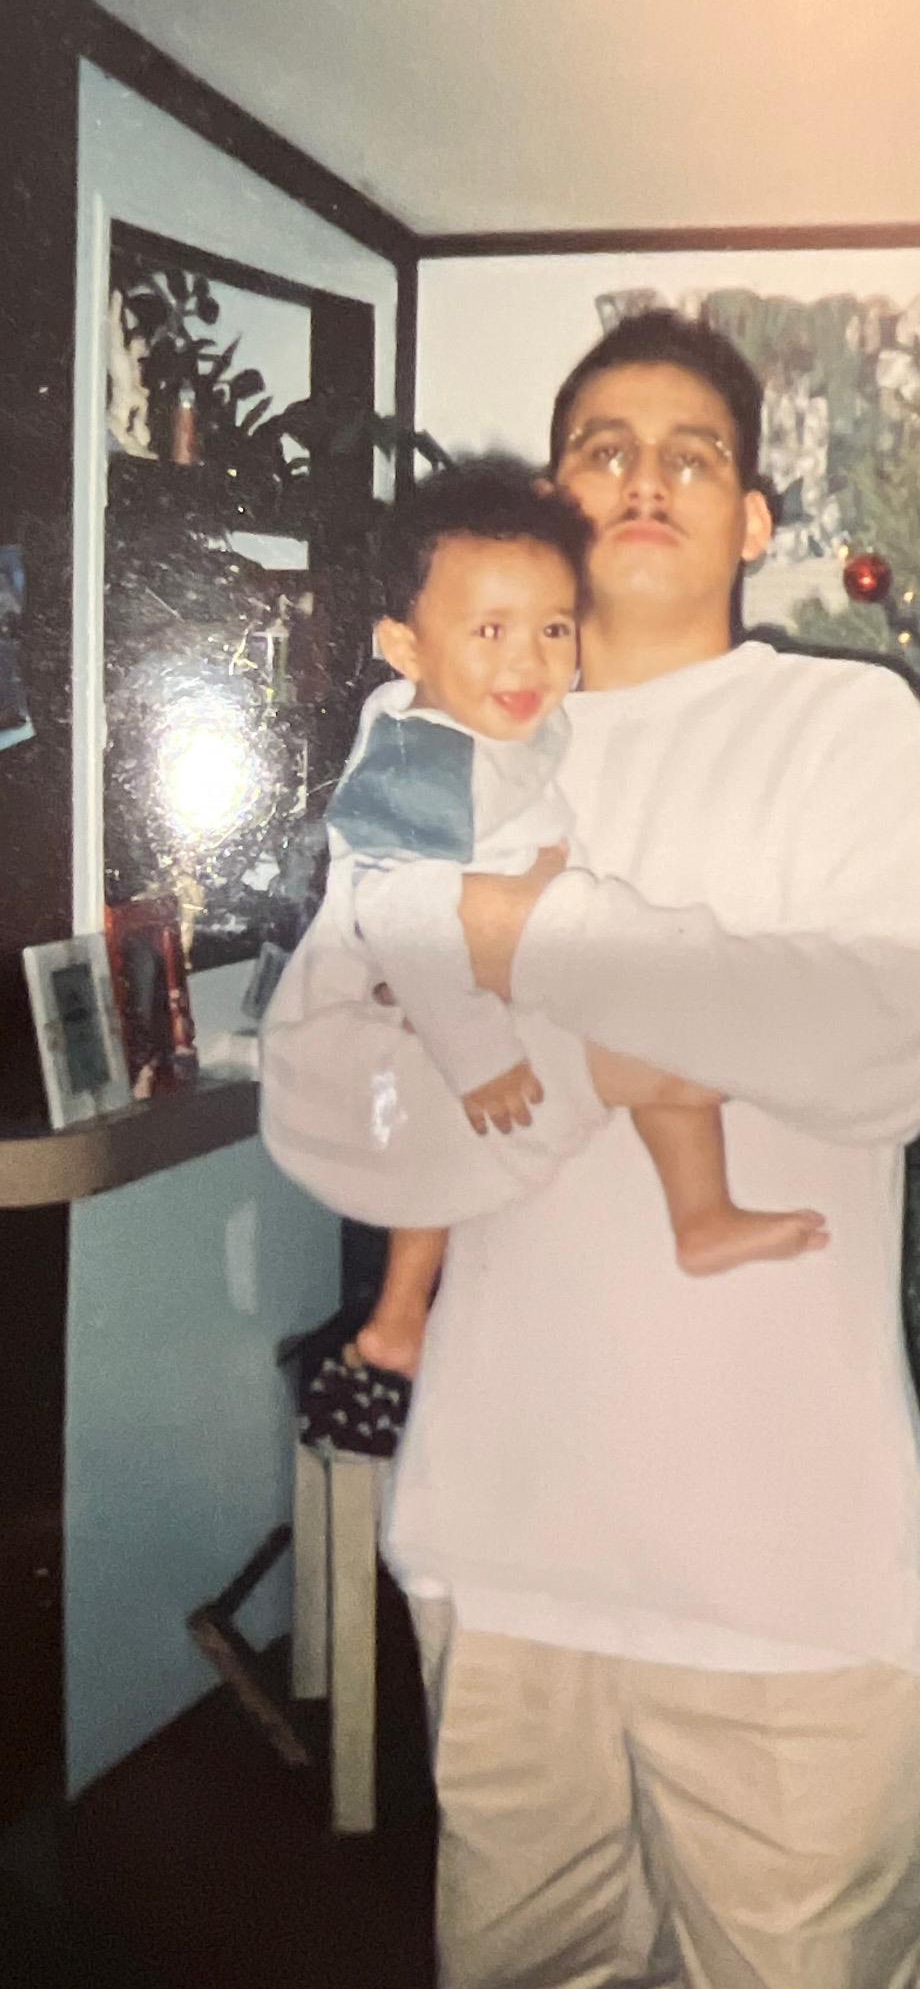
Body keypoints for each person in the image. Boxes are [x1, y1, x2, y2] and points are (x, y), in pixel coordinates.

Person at [387, 309, 920, 1989]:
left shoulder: (835, 724)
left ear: (752, 518)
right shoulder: (449, 749)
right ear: (549, 505)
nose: (642, 475)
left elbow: (887, 1041)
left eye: (691, 452)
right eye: (602, 445)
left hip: (782, 1569)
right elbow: (378, 1068)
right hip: (501, 1536)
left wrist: (543, 956)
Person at [261, 459, 827, 1384]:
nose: (528, 660)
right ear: (404, 647)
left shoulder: (505, 722)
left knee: (461, 1162)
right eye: (489, 630)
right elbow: (401, 913)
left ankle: (408, 1316)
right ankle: (698, 1216)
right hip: (369, 1031)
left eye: (553, 627)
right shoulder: (419, 755)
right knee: (666, 1062)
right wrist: (477, 1049)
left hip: (440, 1009)